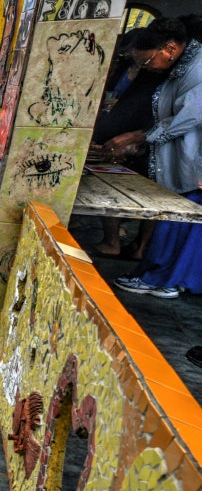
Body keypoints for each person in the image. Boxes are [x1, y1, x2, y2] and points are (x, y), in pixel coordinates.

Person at [111, 19, 202, 298]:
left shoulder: (197, 68)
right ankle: (156, 274)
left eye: (147, 60)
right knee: (173, 222)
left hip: (195, 163)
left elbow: (189, 116)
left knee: (180, 224)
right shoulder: (184, 66)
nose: (145, 67)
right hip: (185, 156)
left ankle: (165, 279)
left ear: (170, 48)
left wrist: (140, 137)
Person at [89, 27, 166, 255]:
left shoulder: (155, 75)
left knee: (152, 194)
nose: (135, 60)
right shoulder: (131, 68)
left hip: (141, 137)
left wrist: (136, 138)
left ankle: (138, 246)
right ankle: (115, 240)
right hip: (118, 134)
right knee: (108, 186)